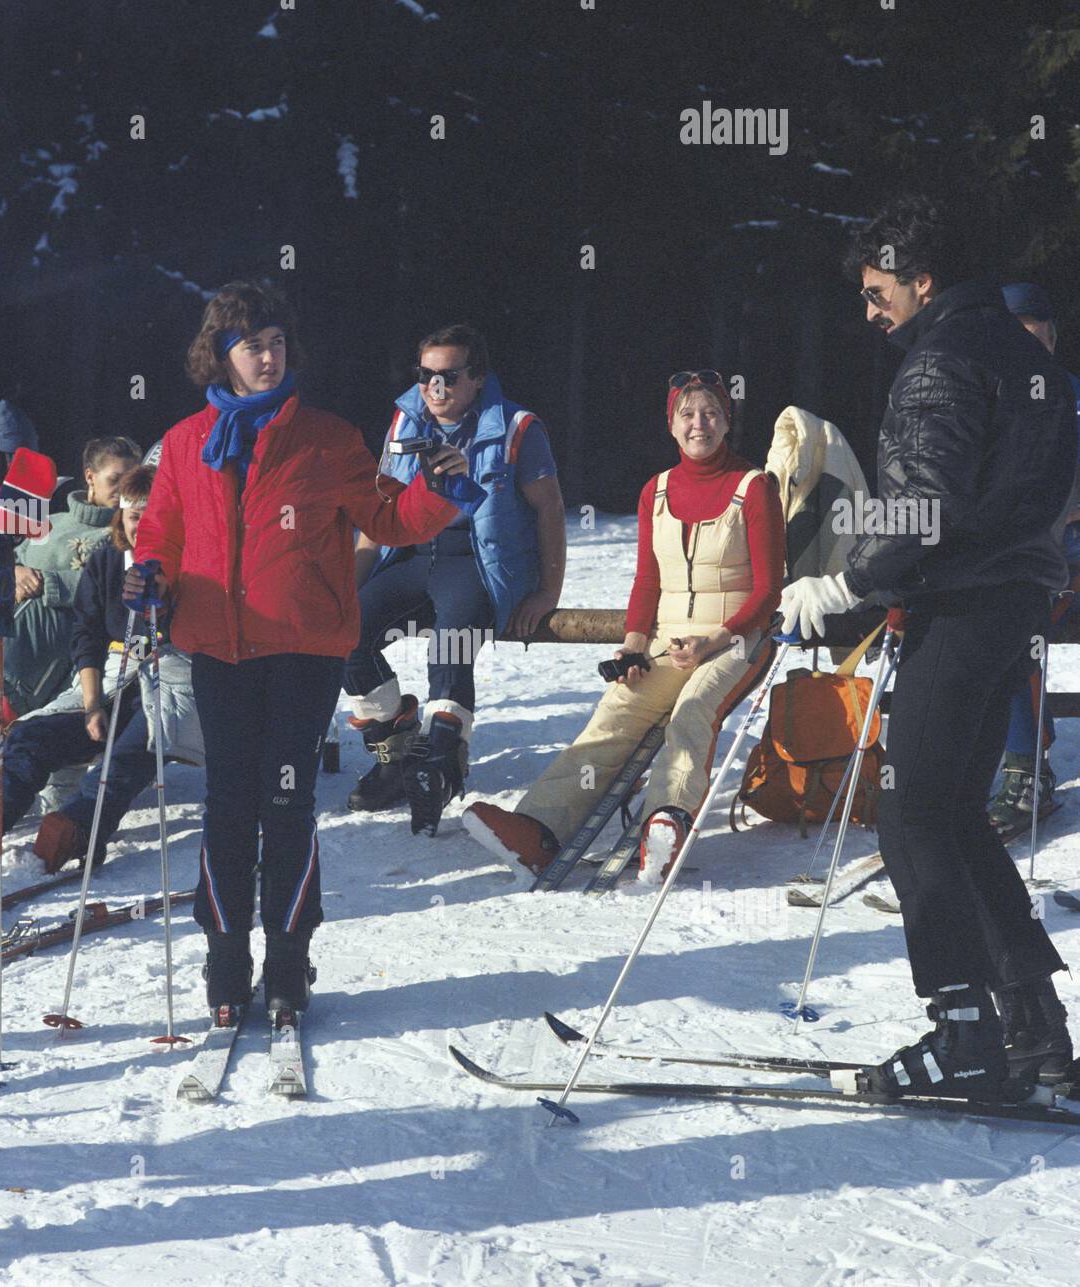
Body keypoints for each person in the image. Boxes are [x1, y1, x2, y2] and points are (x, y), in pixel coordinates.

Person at [781, 195, 1077, 1099]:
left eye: (879, 294)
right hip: (1015, 598)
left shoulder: (941, 360)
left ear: (922, 279)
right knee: (949, 813)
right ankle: (1036, 1035)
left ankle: (963, 1036)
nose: (872, 314)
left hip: (963, 604)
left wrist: (844, 583)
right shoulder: (1030, 357)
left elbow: (922, 504)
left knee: (911, 818)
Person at [129, 281, 471, 1025]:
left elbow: (387, 516)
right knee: (227, 807)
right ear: (221, 356)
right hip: (217, 649)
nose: (269, 355)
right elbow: (160, 532)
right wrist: (150, 573)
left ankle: (287, 966)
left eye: (278, 342)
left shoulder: (326, 437)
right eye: (252, 344)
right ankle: (226, 965)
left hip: (304, 651)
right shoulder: (187, 444)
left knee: (285, 803)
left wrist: (442, 491)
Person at [463, 373, 783, 887]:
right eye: (687, 414)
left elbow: (769, 591)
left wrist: (716, 639)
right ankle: (538, 829)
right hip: (669, 639)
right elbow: (648, 579)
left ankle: (667, 820)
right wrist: (634, 645)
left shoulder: (755, 487)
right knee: (618, 707)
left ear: (727, 421)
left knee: (695, 708)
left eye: (710, 413)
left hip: (736, 638)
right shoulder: (655, 490)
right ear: (671, 426)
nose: (698, 423)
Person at [0, 466, 200, 871]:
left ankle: (78, 826)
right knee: (31, 734)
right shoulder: (108, 562)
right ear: (122, 517)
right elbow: (87, 636)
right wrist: (92, 705)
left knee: (130, 752)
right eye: (134, 516)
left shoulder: (196, 563)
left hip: (177, 680)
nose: (143, 526)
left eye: (155, 516)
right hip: (114, 674)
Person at [343, 324, 566, 835]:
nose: (435, 388)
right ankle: (395, 752)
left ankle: (439, 766)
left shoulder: (516, 426)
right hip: (412, 552)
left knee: (451, 645)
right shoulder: (406, 420)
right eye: (425, 376)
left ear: (478, 378)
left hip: (477, 559)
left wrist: (547, 592)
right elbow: (380, 511)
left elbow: (550, 508)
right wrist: (349, 587)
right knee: (347, 629)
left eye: (449, 376)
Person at [986, 282, 1080, 835]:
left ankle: (1026, 774)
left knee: (1007, 625)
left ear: (1050, 334)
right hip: (1013, 554)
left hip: (1063, 560)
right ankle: (1003, 755)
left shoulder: (1071, 399)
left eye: (1032, 327)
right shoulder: (990, 396)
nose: (1023, 340)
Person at [0, 435, 141, 718]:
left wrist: (49, 582)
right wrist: (14, 571)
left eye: (131, 481)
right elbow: (7, 561)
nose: (124, 489)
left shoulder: (126, 539)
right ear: (90, 476)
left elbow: (112, 590)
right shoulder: (50, 522)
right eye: (115, 480)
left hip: (38, 673)